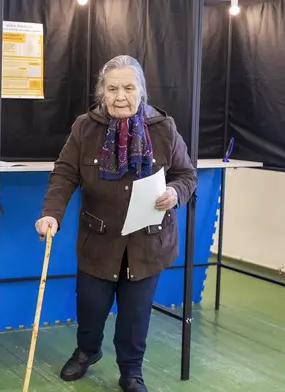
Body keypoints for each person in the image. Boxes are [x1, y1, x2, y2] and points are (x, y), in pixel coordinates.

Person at [35, 55, 197, 392]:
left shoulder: (164, 128)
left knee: (135, 316)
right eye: (112, 89)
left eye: (128, 88)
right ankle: (88, 351)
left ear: (142, 91)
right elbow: (65, 173)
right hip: (99, 239)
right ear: (101, 93)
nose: (120, 96)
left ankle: (131, 370)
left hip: (147, 242)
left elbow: (186, 175)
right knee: (91, 308)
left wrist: (174, 192)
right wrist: (51, 213)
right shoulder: (85, 127)